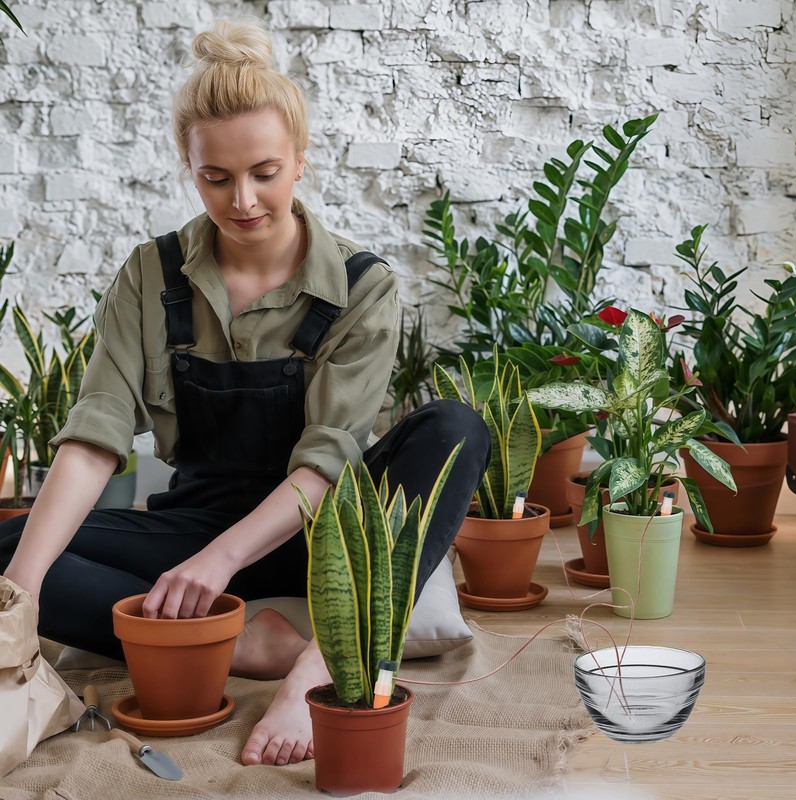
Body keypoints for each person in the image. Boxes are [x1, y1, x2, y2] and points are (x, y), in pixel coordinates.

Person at [0, 18, 490, 768]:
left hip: (328, 537)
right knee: (11, 551)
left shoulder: (363, 287)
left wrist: (220, 565)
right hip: (192, 529)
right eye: (217, 177)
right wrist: (19, 602)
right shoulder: (148, 277)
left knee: (457, 426)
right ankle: (241, 643)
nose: (245, 199)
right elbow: (95, 437)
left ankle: (320, 666)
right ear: (188, 167)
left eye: (265, 171)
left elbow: (327, 464)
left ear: (300, 161)